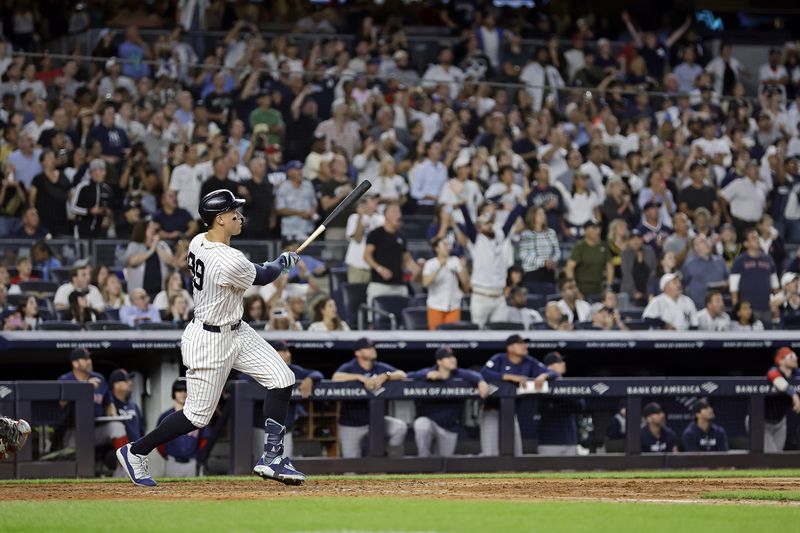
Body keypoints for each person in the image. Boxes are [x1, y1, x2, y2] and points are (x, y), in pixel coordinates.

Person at [116, 189, 306, 487]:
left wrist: (279, 263)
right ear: (219, 219)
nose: (239, 217)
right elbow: (265, 275)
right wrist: (283, 261)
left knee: (282, 379)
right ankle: (136, 451)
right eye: (234, 213)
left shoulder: (198, 241)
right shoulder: (228, 260)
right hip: (210, 340)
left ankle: (272, 457)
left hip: (236, 329)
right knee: (196, 417)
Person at [479, 334, 558, 456]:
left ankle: (512, 474)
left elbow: (553, 372)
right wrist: (509, 377)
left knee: (515, 451)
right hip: (492, 410)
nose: (524, 346)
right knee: (490, 452)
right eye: (520, 343)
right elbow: (484, 372)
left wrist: (544, 376)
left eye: (525, 343)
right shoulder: (499, 359)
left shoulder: (529, 362)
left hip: (511, 412)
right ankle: (490, 475)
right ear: (510, 348)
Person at [407, 346, 489, 457]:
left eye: (453, 356)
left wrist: (481, 382)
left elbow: (475, 375)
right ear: (439, 362)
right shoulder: (428, 372)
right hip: (431, 423)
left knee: (443, 464)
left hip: (449, 427)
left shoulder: (459, 374)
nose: (452, 359)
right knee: (421, 424)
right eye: (447, 357)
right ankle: (423, 460)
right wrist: (425, 375)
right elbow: (407, 376)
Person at [332, 338, 408, 458]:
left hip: (376, 421)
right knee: (351, 467)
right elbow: (335, 377)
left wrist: (386, 376)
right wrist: (360, 377)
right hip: (351, 424)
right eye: (368, 348)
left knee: (399, 427)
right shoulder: (351, 366)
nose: (372, 350)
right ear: (358, 353)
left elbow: (403, 374)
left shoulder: (378, 367)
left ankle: (390, 460)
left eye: (372, 347)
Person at [460, 202, 525, 327]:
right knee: (478, 335)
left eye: (490, 223)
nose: (489, 226)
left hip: (499, 297)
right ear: (479, 227)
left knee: (500, 335)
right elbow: (468, 222)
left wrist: (521, 203)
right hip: (481, 296)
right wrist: (463, 205)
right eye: (485, 224)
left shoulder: (499, 236)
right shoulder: (476, 239)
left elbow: (511, 220)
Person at [363, 203, 420, 306]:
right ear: (386, 215)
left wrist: (416, 268)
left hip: (399, 285)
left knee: (402, 317)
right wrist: (380, 269)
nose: (398, 215)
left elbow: (407, 260)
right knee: (375, 317)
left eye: (399, 212)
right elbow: (367, 256)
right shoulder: (376, 234)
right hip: (379, 285)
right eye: (394, 211)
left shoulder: (401, 236)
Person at [156, 378, 209, 477]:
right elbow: (158, 442)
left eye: (186, 390)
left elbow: (205, 439)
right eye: (179, 390)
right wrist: (167, 455)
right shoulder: (165, 417)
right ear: (174, 393)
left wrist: (198, 456)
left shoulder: (197, 415)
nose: (183, 393)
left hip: (192, 463)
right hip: (172, 462)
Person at [537, 352, 584, 456]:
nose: (563, 363)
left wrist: (561, 400)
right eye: (559, 362)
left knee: (570, 472)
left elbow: (581, 405)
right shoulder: (541, 383)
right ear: (549, 366)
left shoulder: (568, 384)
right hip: (549, 442)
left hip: (570, 440)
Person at [730, 228, 779, 325]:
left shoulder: (768, 259)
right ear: (746, 243)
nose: (757, 240)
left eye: (757, 237)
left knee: (768, 336)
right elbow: (733, 288)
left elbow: (775, 285)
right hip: (748, 310)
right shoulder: (739, 261)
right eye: (753, 238)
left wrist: (776, 306)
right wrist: (737, 309)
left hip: (767, 307)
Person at [422, 237, 469, 330]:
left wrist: (463, 268)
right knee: (435, 338)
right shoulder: (430, 264)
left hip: (453, 305)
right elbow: (425, 283)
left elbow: (465, 283)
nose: (448, 247)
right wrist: (440, 265)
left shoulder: (455, 260)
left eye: (448, 245)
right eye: (444, 244)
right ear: (437, 248)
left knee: (452, 338)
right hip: (435, 305)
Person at [124, 220, 175, 298]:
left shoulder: (161, 245)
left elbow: (172, 262)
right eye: (149, 227)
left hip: (160, 292)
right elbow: (132, 261)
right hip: (139, 293)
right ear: (142, 229)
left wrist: (156, 246)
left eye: (153, 227)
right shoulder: (134, 245)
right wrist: (151, 250)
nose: (153, 229)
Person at [565, 220, 613, 298]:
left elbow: (609, 266)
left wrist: (609, 286)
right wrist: (575, 289)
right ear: (586, 231)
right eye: (594, 228)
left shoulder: (603, 246)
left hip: (599, 289)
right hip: (582, 289)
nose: (598, 230)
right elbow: (569, 268)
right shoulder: (580, 247)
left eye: (599, 227)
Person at [765, 347, 800, 453]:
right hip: (761, 423)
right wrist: (794, 395)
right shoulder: (774, 370)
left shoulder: (796, 372)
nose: (795, 358)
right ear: (781, 360)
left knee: (778, 457)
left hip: (780, 422)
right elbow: (775, 377)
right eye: (791, 356)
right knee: (773, 457)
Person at [344, 193, 383, 284]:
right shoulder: (354, 218)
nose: (376, 202)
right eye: (372, 200)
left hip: (374, 265)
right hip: (356, 265)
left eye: (376, 200)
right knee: (355, 295)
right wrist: (361, 217)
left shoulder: (381, 219)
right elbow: (358, 238)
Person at [681, 235, 728, 308]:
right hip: (698, 307)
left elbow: (728, 279)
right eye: (703, 241)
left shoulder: (720, 261)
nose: (707, 243)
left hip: (719, 306)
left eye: (707, 240)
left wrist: (726, 284)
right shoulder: (689, 265)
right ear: (696, 247)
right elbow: (683, 285)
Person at [71, 159, 114, 238]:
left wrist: (107, 212)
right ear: (92, 172)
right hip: (82, 228)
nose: (103, 173)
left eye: (104, 170)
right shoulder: (83, 186)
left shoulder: (106, 189)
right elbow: (73, 208)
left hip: (100, 230)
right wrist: (89, 211)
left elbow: (109, 207)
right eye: (100, 170)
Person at [275, 160, 317, 241]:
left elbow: (314, 203)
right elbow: (280, 209)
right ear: (289, 172)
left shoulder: (308, 185)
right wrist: (300, 213)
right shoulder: (283, 187)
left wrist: (313, 212)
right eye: (297, 169)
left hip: (307, 230)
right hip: (290, 232)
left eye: (300, 169)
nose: (300, 172)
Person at [517, 206, 560, 284]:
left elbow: (557, 251)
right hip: (531, 272)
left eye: (544, 213)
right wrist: (543, 262)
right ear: (532, 216)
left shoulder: (551, 232)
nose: (543, 216)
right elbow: (523, 255)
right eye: (539, 214)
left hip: (549, 271)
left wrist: (552, 261)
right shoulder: (526, 234)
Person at [105, 369, 144, 448]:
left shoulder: (133, 405)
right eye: (126, 380)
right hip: (116, 453)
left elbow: (141, 431)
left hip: (135, 453)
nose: (130, 383)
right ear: (116, 384)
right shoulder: (108, 402)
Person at [620, 228, 657, 307]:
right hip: (630, 292)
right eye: (633, 238)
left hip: (648, 291)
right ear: (629, 241)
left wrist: (650, 292)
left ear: (642, 240)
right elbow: (626, 274)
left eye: (638, 238)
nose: (636, 241)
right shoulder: (625, 253)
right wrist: (634, 292)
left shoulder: (649, 251)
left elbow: (654, 271)